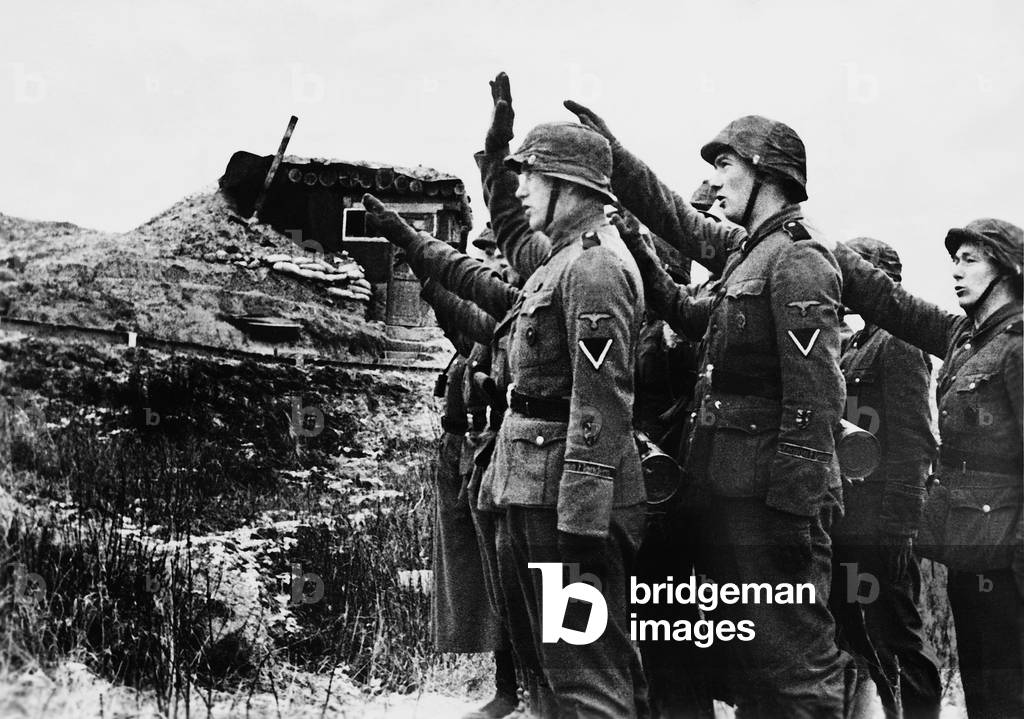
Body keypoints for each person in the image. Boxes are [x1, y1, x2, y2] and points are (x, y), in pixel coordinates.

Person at [565, 102, 852, 717]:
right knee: (737, 658)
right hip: (728, 494)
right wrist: (635, 234)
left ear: (766, 172)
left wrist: (789, 514)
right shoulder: (751, 256)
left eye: (724, 164)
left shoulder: (799, 257)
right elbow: (689, 310)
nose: (715, 181)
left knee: (794, 665)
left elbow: (817, 395)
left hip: (770, 504)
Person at [833, 218, 1023, 719]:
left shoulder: (1018, 343)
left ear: (1007, 268)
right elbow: (890, 302)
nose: (956, 272)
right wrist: (801, 231)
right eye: (954, 261)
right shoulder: (965, 336)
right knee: (984, 690)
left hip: (1008, 557)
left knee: (1007, 692)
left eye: (970, 260)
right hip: (971, 547)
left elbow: (916, 439)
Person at [829, 237, 942, 719]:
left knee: (897, 637)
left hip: (881, 527)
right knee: (857, 636)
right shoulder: (857, 342)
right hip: (852, 524)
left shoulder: (900, 342)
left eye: (854, 272)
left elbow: (915, 441)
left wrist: (899, 527)